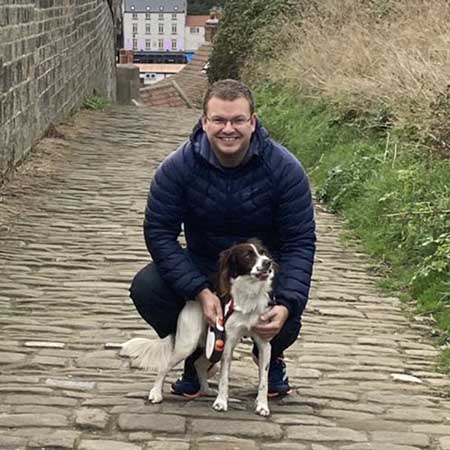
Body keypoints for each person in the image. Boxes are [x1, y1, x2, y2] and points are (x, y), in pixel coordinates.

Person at [130, 79, 316, 398]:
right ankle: (198, 356)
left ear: (253, 122)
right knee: (147, 287)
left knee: (291, 295)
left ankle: (271, 355)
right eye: (218, 120)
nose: (228, 129)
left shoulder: (285, 170)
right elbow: (159, 232)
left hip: (261, 274)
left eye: (238, 120)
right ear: (204, 122)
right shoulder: (177, 169)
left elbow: (300, 241)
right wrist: (199, 290)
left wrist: (285, 305)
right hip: (204, 267)